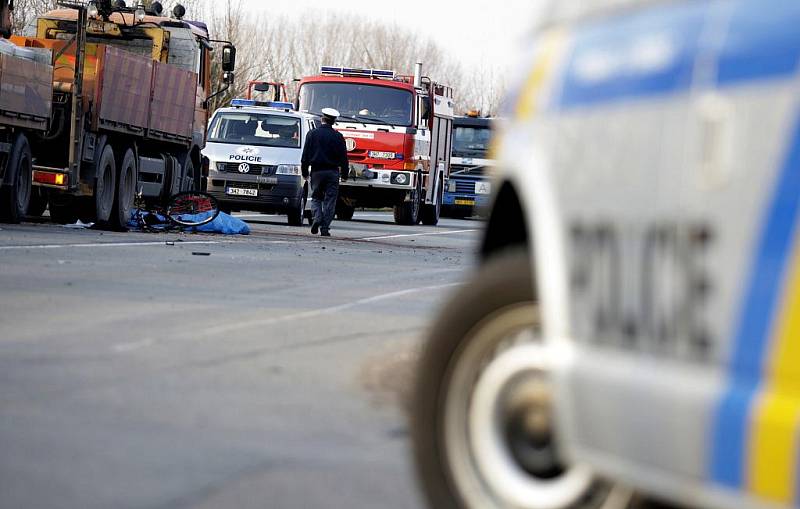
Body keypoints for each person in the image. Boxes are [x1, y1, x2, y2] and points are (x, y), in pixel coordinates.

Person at [301, 107, 349, 237]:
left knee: (316, 197)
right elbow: (344, 158)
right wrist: (345, 174)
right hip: (332, 172)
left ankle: (317, 218)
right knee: (330, 200)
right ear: (333, 122)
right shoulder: (338, 136)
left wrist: (304, 171)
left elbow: (305, 155)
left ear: (322, 119)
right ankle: (325, 228)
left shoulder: (312, 134)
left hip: (316, 171)